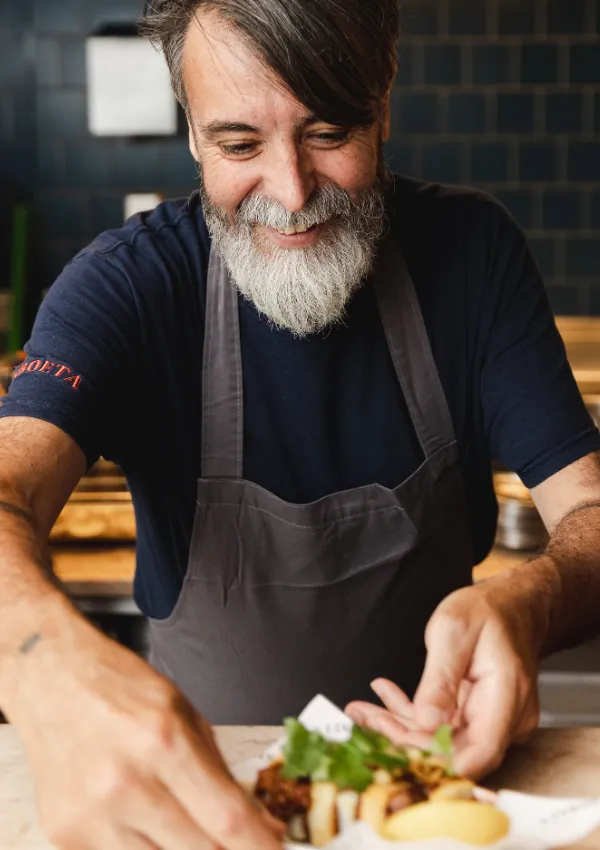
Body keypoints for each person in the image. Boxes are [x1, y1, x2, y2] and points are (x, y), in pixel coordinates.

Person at [0, 0, 599, 847]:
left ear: (383, 102)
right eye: (240, 144)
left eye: (327, 132)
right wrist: (45, 672)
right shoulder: (127, 287)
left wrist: (530, 601)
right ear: (194, 135)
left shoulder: (471, 254)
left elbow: (592, 515)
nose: (290, 192)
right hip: (195, 811)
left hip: (433, 805)